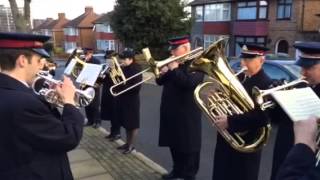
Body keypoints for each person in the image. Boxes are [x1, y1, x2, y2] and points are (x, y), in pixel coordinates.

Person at [0, 32, 84, 179]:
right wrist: (69, 102)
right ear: (22, 61)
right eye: (39, 60)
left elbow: (34, 127)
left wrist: (49, 101)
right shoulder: (23, 102)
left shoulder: (12, 91)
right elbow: (68, 137)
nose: (42, 65)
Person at [212, 43, 273, 180]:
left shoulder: (266, 84)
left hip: (245, 145)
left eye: (248, 59)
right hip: (226, 142)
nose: (242, 63)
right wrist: (216, 97)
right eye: (242, 58)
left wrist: (229, 121)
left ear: (261, 60)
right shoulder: (238, 79)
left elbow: (262, 117)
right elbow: (223, 104)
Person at [156, 36, 204, 180]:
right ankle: (176, 171)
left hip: (187, 115)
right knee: (174, 144)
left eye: (175, 49)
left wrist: (174, 69)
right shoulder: (173, 63)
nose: (172, 52)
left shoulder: (197, 64)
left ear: (185, 48)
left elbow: (188, 83)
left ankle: (189, 176)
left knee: (189, 149)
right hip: (171, 113)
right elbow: (159, 82)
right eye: (172, 49)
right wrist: (163, 72)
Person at [113, 49, 142, 154]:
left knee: (133, 124)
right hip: (123, 99)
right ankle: (127, 143)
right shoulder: (124, 68)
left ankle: (131, 145)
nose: (122, 61)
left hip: (132, 100)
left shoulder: (136, 68)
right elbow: (118, 80)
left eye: (124, 59)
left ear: (130, 59)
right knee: (126, 122)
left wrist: (122, 86)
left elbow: (136, 87)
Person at [101, 50, 121, 141]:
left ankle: (117, 133)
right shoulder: (107, 67)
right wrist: (102, 76)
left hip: (115, 94)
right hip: (107, 93)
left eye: (109, 58)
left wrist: (110, 74)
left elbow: (119, 81)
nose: (107, 60)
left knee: (115, 114)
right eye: (107, 58)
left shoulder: (118, 68)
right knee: (110, 114)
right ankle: (112, 132)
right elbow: (103, 81)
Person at [83, 48, 102, 128]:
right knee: (86, 104)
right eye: (85, 54)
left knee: (95, 105)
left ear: (91, 53)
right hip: (85, 84)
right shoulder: (84, 61)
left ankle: (97, 121)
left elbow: (100, 74)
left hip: (94, 85)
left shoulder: (96, 61)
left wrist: (98, 83)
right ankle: (90, 120)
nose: (85, 56)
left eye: (87, 54)